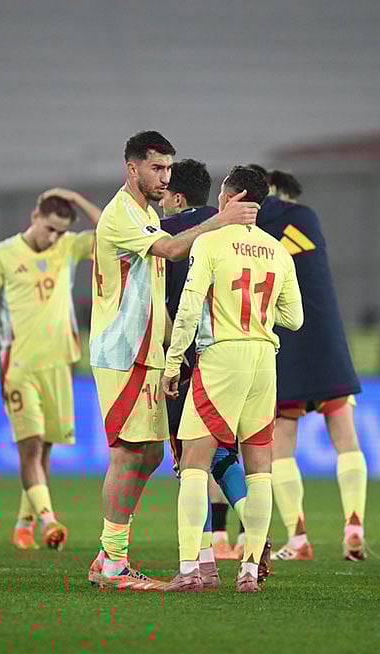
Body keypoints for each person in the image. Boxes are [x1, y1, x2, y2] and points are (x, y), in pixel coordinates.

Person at [87, 131, 259, 590]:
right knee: (127, 453)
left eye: (168, 168)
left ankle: (109, 553)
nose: (165, 177)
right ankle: (113, 562)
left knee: (150, 452)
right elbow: (167, 249)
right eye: (156, 168)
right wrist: (219, 221)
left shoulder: (145, 212)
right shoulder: (122, 212)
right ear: (133, 168)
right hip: (122, 351)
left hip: (149, 352)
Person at [162, 166, 302, 592]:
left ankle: (191, 570)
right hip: (264, 358)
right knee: (259, 468)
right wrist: (260, 317)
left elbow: (187, 309)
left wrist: (172, 363)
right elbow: (294, 319)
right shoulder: (277, 250)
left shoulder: (210, 242)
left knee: (194, 463)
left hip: (223, 356)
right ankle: (247, 572)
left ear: (232, 198)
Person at [0, 188, 101, 551]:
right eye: (49, 228)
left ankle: (24, 523)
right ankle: (49, 521)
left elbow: (110, 232)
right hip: (19, 364)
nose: (54, 236)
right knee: (29, 447)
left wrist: (75, 197)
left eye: (60, 230)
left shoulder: (68, 247)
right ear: (34, 217)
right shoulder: (2, 254)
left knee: (44, 449)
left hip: (60, 363)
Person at [254, 165, 367, 562]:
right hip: (328, 337)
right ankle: (354, 525)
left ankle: (298, 538)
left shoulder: (252, 226)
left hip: (286, 340)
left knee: (281, 448)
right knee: (346, 439)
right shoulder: (309, 219)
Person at [160, 158, 256, 579]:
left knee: (190, 460)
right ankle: (257, 529)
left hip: (188, 354)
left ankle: (202, 561)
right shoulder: (236, 230)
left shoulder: (168, 236)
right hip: (237, 355)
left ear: (177, 197)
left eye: (165, 193)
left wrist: (171, 356)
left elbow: (166, 302)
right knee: (222, 453)